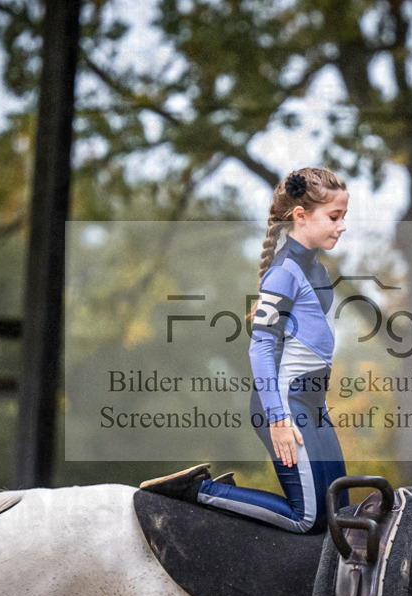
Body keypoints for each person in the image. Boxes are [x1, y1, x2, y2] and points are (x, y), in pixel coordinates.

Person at [142, 168, 351, 532]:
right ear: (300, 216)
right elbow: (261, 347)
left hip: (314, 405)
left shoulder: (315, 267)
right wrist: (278, 420)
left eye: (344, 217)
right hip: (284, 406)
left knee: (338, 514)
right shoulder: (284, 271)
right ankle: (198, 491)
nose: (342, 225)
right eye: (334, 217)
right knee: (306, 519)